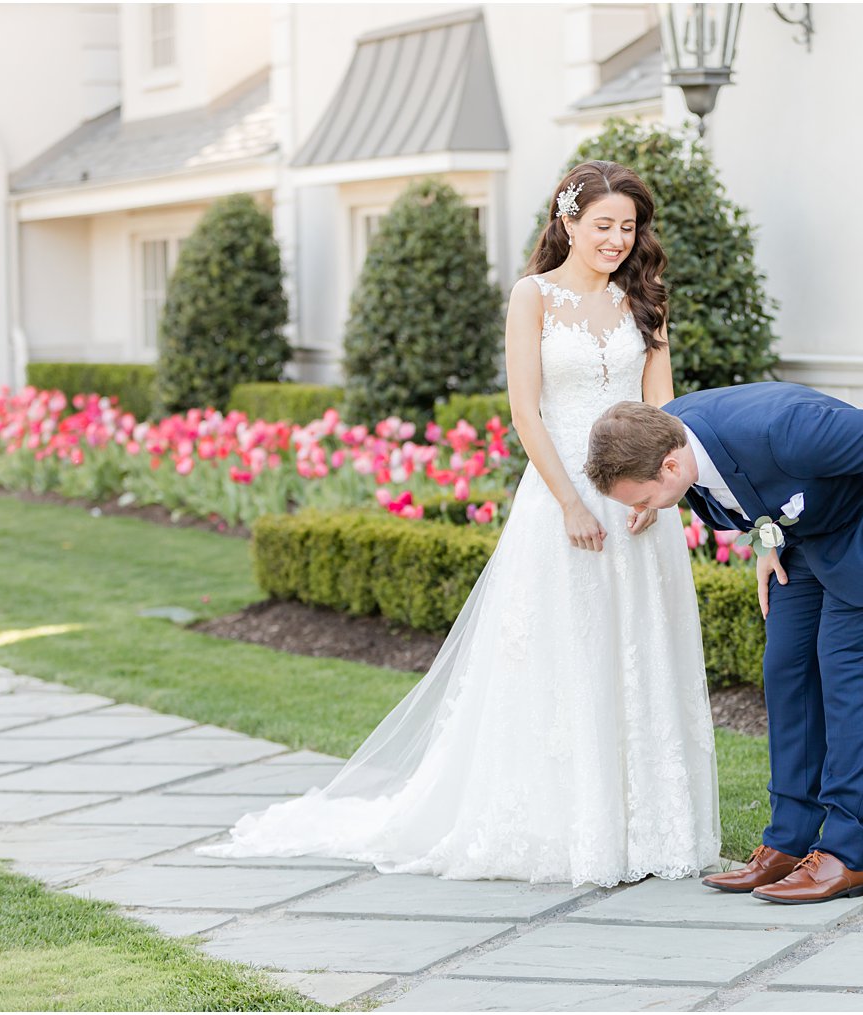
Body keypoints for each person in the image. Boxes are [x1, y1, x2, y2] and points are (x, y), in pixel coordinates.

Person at [199, 161, 720, 886]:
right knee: (565, 654)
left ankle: (646, 827)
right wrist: (570, 499)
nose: (617, 240)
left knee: (637, 651)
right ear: (567, 222)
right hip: (559, 492)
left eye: (628, 228)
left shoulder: (647, 302)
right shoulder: (531, 298)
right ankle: (572, 826)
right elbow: (526, 410)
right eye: (603, 225)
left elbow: (664, 404)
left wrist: (657, 494)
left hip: (641, 505)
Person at [585, 385, 863, 903]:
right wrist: (765, 542)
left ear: (668, 466)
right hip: (802, 542)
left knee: (846, 680)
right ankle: (790, 841)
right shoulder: (670, 437)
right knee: (786, 671)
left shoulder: (783, 434)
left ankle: (844, 856)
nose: (643, 509)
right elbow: (751, 491)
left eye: (642, 500)